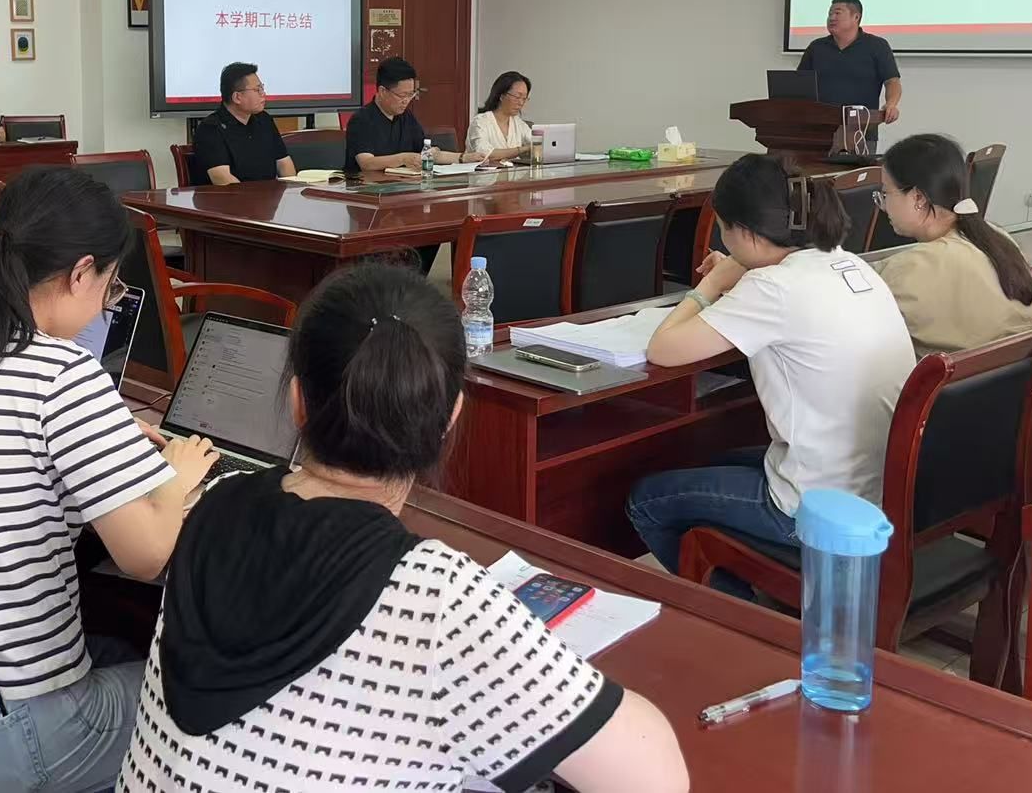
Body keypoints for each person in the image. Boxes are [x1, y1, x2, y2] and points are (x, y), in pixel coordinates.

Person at [118, 264, 689, 793]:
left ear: (296, 404)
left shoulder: (210, 507)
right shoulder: (436, 595)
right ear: (450, 417)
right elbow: (657, 779)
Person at [0, 168, 217, 792]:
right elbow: (145, 555)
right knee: (213, 694)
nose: (104, 305)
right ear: (82, 273)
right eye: (110, 286)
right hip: (7, 739)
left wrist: (106, 437)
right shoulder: (62, 372)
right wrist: (176, 473)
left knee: (118, 647)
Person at [627, 155, 915, 586]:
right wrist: (744, 270)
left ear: (745, 232)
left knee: (646, 501)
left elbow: (664, 349)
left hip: (813, 506)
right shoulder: (848, 263)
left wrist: (712, 283)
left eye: (724, 230)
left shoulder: (772, 287)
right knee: (718, 460)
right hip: (879, 488)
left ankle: (742, 611)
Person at [872, 134, 1032, 359]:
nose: (883, 205)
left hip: (964, 380)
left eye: (885, 193)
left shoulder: (910, 268)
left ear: (918, 198)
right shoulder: (998, 238)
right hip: (1016, 375)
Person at [796, 0, 902, 146]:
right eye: (829, 14)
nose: (831, 18)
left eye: (837, 13)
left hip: (861, 130)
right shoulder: (816, 47)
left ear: (856, 17)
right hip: (818, 129)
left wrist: (891, 104)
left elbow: (892, 81)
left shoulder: (876, 46)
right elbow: (799, 82)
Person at [342, 57, 463, 176]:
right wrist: (403, 159)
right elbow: (367, 163)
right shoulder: (361, 119)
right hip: (367, 186)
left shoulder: (406, 117)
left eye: (411, 94)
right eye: (402, 95)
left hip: (402, 184)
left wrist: (463, 158)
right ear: (383, 91)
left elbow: (426, 151)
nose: (406, 101)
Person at [192, 61, 297, 185]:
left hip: (267, 195)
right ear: (237, 97)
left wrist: (292, 190)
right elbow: (222, 178)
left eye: (262, 88)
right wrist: (254, 197)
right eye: (257, 89)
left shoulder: (264, 120)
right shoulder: (210, 129)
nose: (263, 94)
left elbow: (284, 163)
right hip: (232, 196)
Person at [465, 70, 533, 163]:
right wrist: (522, 150)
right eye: (517, 97)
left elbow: (537, 143)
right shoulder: (480, 122)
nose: (521, 103)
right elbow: (484, 154)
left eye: (524, 98)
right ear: (501, 96)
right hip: (482, 172)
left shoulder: (519, 124)